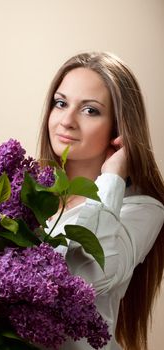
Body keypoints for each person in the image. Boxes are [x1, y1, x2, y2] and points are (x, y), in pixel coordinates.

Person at [38, 52, 164, 350]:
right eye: (61, 103)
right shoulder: (26, 197)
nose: (67, 121)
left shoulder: (143, 209)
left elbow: (88, 275)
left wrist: (112, 176)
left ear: (119, 127)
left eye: (90, 110)